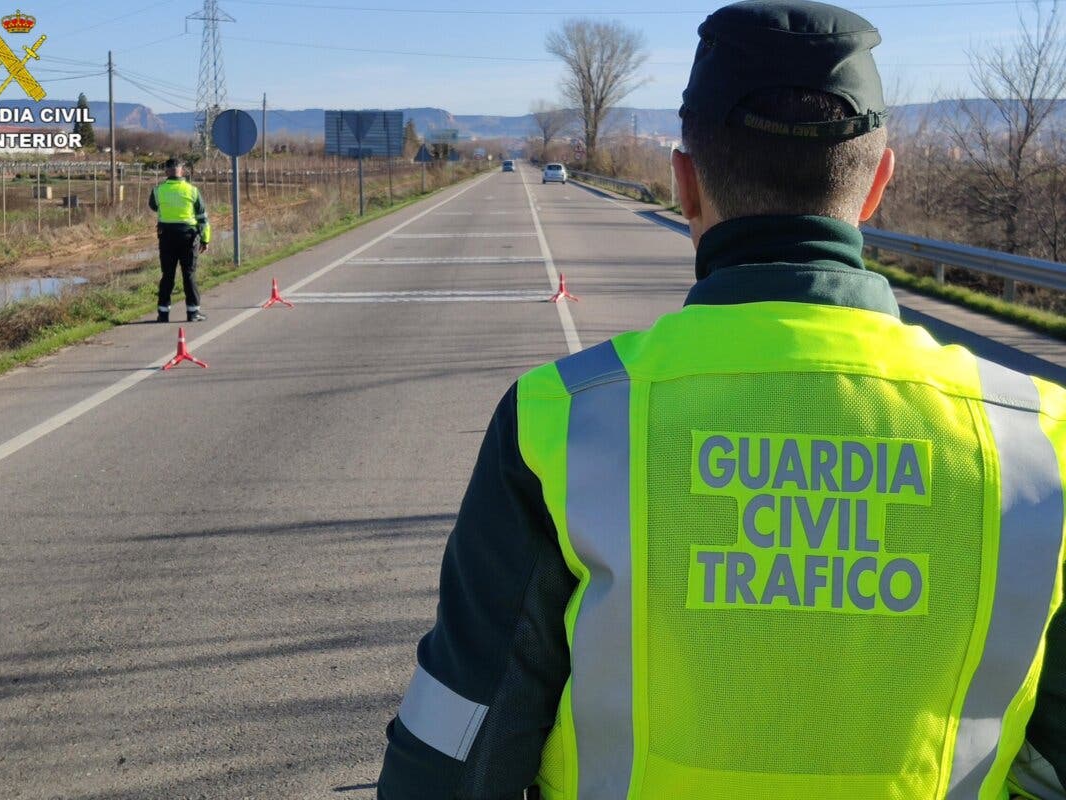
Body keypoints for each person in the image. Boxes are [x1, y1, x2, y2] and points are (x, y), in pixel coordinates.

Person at [377, 2, 1066, 799]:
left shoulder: (563, 420)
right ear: (878, 184)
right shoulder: (1038, 438)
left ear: (683, 182)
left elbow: (461, 739)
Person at [149, 157, 211, 323]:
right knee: (189, 274)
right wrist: (205, 240)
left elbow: (153, 206)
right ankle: (193, 313)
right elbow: (203, 218)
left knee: (167, 275)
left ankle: (163, 314)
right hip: (189, 238)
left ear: (166, 171)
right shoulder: (192, 191)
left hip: (167, 237)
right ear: (182, 171)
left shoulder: (158, 191)